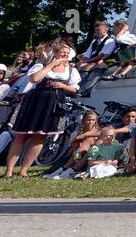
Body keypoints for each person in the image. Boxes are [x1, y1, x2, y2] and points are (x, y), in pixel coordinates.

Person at [5, 43, 81, 178]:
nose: (65, 55)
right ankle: (9, 171)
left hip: (55, 103)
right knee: (21, 136)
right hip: (36, 101)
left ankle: (24, 170)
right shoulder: (41, 65)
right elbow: (34, 79)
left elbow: (74, 89)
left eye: (67, 54)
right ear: (56, 53)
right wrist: (51, 65)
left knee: (40, 137)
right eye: (62, 53)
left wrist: (62, 85)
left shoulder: (71, 70)